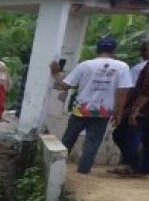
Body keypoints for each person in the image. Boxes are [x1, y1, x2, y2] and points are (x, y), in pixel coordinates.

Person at [50, 36, 135, 174]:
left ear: (97, 49)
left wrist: (55, 74)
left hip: (81, 109)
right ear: (114, 51)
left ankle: (56, 169)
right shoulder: (122, 66)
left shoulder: (85, 65)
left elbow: (65, 86)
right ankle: (83, 172)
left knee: (68, 138)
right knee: (93, 142)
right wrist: (119, 113)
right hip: (103, 111)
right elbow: (123, 91)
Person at [112, 40, 149, 175]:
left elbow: (139, 90)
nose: (142, 53)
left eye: (144, 50)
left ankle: (133, 165)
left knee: (121, 135)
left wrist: (133, 110)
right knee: (146, 139)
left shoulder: (140, 67)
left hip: (142, 110)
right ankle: (143, 168)